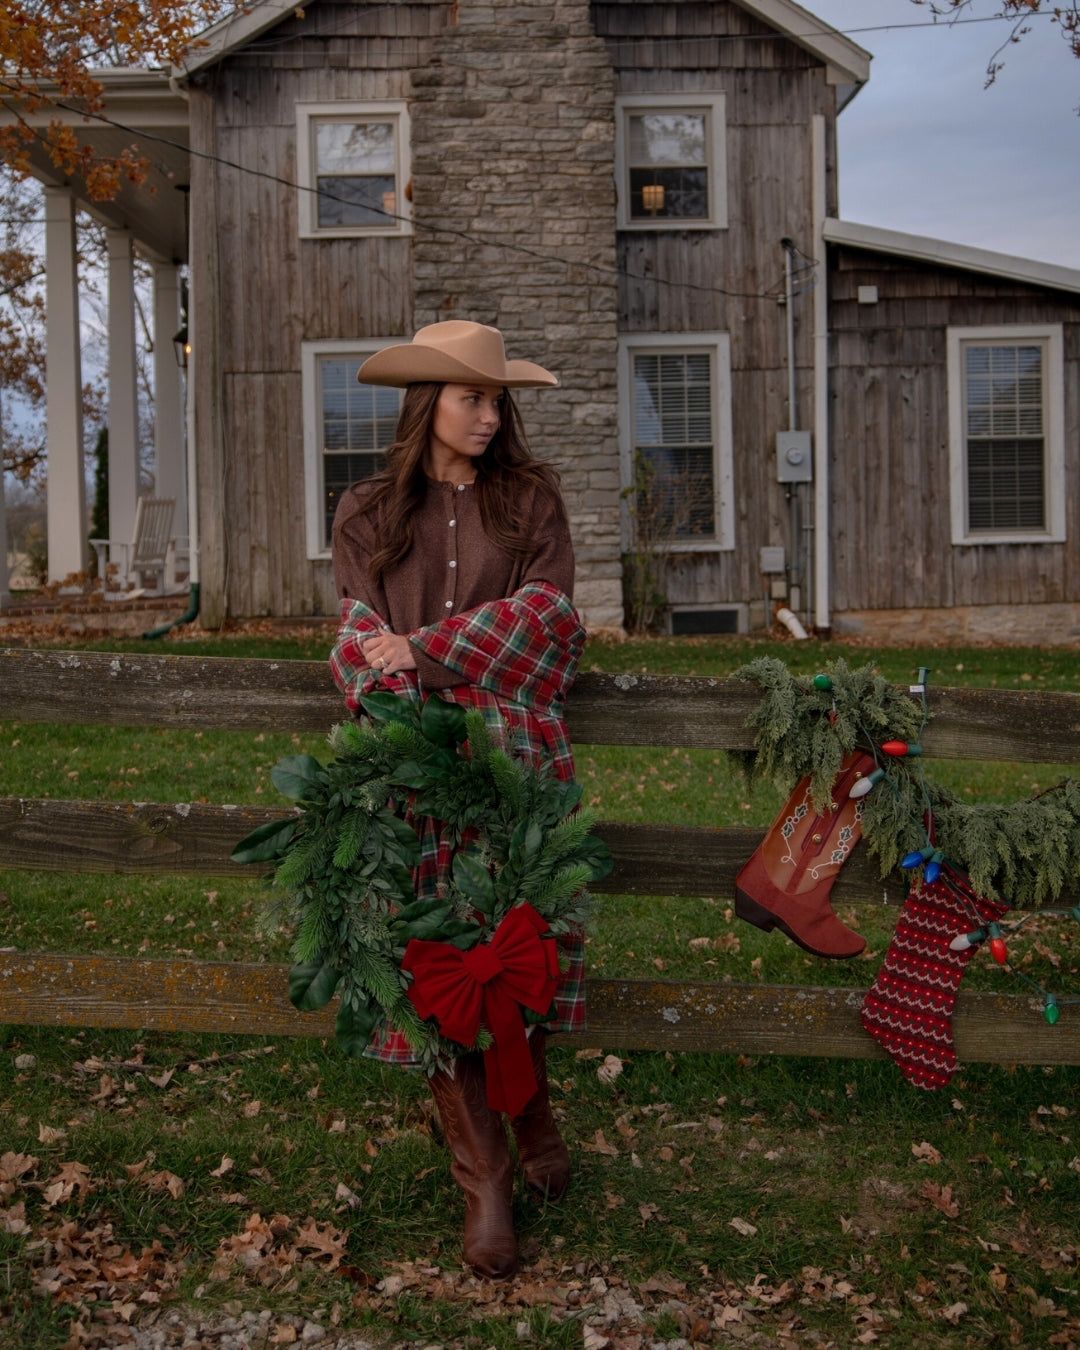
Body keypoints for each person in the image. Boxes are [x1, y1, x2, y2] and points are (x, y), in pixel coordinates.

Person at [328, 321, 586, 1281]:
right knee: (437, 956)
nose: (489, 415)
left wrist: (427, 652)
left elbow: (550, 625)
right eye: (472, 397)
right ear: (426, 401)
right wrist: (404, 677)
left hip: (515, 768)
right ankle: (487, 1182)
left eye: (497, 400)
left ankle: (534, 1112)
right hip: (405, 767)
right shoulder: (366, 511)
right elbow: (356, 636)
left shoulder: (531, 500)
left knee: (515, 941)